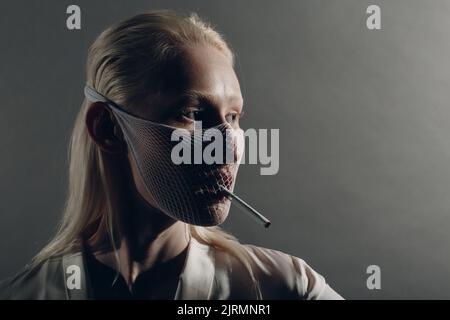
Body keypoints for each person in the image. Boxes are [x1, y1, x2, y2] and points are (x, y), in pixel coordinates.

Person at [0, 10, 343, 300]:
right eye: (193, 114)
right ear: (108, 128)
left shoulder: (284, 288)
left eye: (233, 117)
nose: (226, 145)